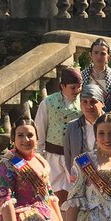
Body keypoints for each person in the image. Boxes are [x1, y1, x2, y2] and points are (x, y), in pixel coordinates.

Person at [65, 83, 111, 185]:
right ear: (80, 104)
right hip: (82, 184)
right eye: (85, 102)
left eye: (93, 101)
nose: (89, 106)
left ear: (102, 103)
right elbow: (68, 159)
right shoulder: (72, 127)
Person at [34, 67, 82, 199]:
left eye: (79, 87)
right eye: (73, 88)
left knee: (74, 191)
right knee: (53, 192)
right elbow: (40, 128)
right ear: (63, 86)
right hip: (52, 155)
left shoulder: (83, 103)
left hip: (74, 156)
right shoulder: (48, 102)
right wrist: (39, 155)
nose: (77, 91)